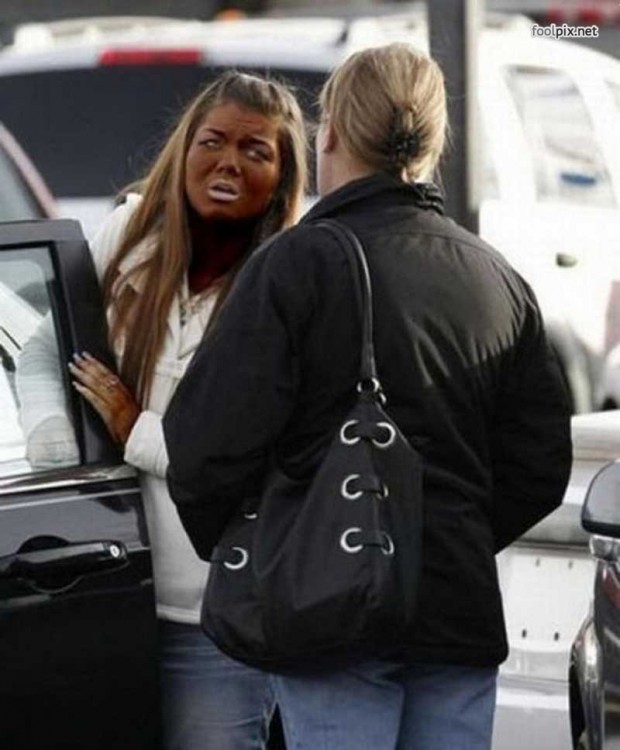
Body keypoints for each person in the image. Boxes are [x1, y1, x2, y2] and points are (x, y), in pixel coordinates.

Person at [163, 44, 572, 750]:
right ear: (434, 142)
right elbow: (539, 465)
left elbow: (204, 445)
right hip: (457, 613)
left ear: (330, 134)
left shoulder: (297, 264)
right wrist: (443, 534)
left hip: (328, 615)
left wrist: (273, 551)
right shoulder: (495, 277)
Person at [17, 71, 307, 749]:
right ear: (184, 150)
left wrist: (131, 428)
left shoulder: (287, 278)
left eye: (255, 152)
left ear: (282, 177)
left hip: (213, 614)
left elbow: (243, 457)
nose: (228, 162)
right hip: (103, 594)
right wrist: (60, 446)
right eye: (212, 141)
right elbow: (38, 354)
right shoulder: (129, 232)